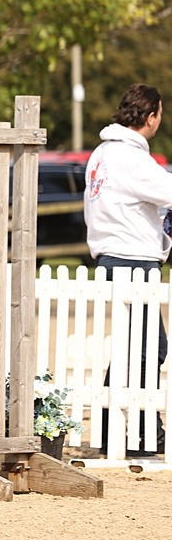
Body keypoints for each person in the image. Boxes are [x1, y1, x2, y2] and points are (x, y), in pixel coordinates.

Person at [85, 83, 172, 455]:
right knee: (150, 348)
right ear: (150, 116)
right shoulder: (131, 158)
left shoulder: (103, 152)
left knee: (130, 348)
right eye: (159, 114)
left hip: (112, 256)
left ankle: (114, 429)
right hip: (133, 260)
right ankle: (142, 431)